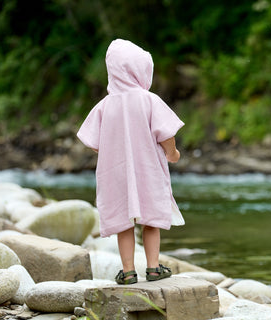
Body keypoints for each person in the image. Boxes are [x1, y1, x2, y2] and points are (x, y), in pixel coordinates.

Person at [77, 39, 185, 284]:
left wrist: (114, 150)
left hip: (115, 173)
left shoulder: (104, 106)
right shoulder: (149, 100)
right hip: (148, 171)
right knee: (151, 219)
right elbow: (166, 134)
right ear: (140, 70)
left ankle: (127, 272)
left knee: (124, 222)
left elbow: (94, 142)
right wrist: (173, 153)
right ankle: (154, 268)